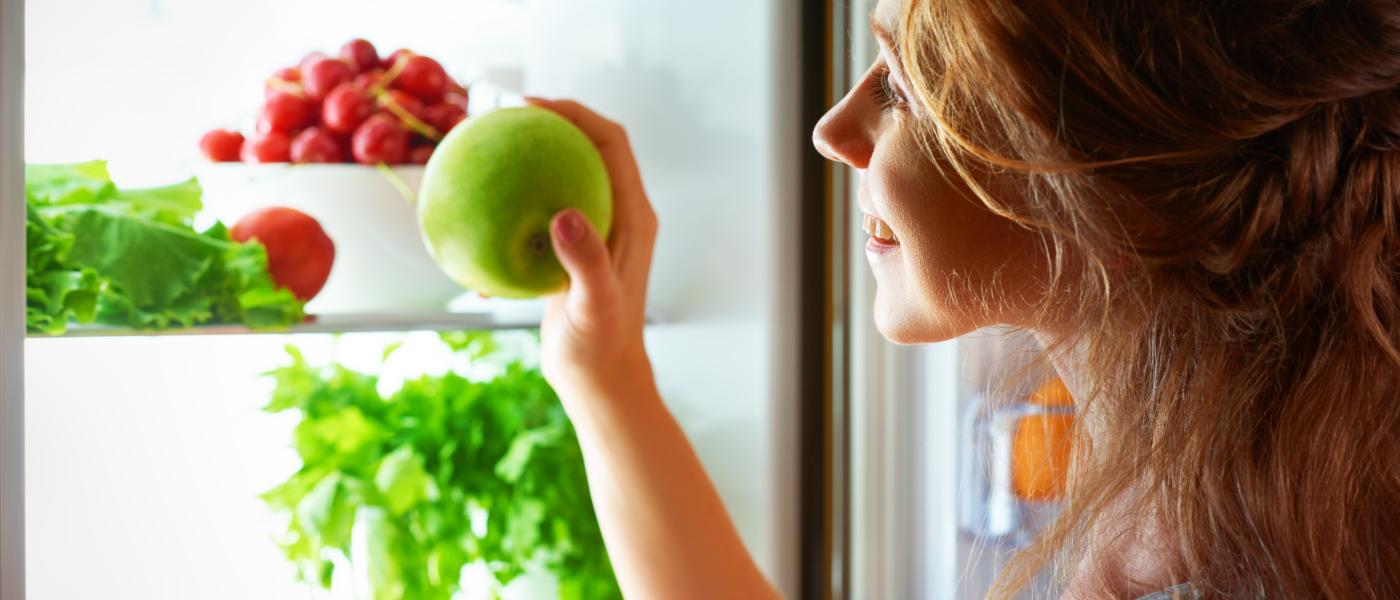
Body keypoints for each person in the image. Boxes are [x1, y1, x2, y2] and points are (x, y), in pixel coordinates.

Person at [527, 0, 1400, 596]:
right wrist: (606, 376)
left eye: (904, 88)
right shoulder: (1251, 496)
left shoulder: (1203, 569)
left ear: (1106, 163)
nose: (834, 132)